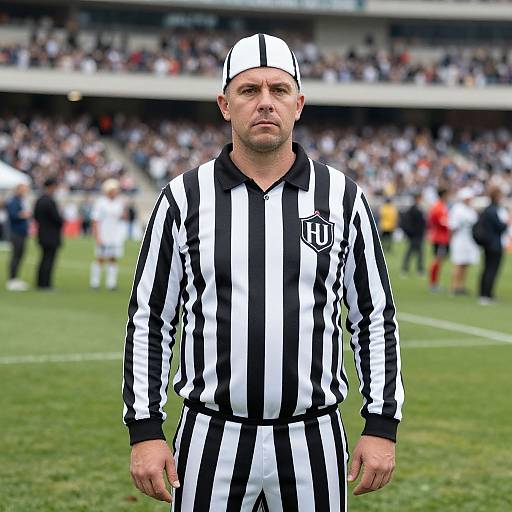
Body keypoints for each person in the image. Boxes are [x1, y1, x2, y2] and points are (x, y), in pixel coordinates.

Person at [122, 34, 404, 511]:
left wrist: (381, 423)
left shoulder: (342, 198)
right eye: (249, 91)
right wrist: (146, 430)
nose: (266, 103)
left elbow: (373, 317)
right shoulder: (183, 198)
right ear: (224, 104)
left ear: (299, 103)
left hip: (312, 433)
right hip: (212, 431)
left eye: (278, 89)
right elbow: (150, 319)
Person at [90, 178, 126, 290]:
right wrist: (97, 236)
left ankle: (111, 283)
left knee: (113, 258)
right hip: (104, 233)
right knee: (100, 258)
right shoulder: (101, 202)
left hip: (115, 234)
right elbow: (95, 220)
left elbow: (123, 217)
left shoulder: (119, 202)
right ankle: (94, 283)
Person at [478, 187, 509, 304]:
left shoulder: (488, 209)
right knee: (491, 269)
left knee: (487, 268)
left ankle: (484, 293)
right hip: (494, 243)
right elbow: (500, 227)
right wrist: (507, 222)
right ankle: (486, 294)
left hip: (488, 243)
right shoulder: (493, 210)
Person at [33, 177, 64, 290]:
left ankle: (40, 282)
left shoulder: (40, 200)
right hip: (51, 235)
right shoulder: (49, 201)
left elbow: (35, 216)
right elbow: (57, 219)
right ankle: (45, 284)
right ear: (51, 186)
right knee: (49, 260)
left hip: (42, 233)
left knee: (43, 259)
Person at [448, 188, 479, 295]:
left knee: (466, 263)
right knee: (459, 263)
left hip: (469, 240)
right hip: (459, 240)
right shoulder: (457, 209)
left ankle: (461, 285)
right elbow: (453, 226)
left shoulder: (470, 210)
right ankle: (455, 286)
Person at [5, 183, 30, 291]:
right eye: (23, 190)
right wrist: (24, 215)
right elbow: (13, 215)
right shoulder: (14, 201)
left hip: (21, 232)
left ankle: (15, 278)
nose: (25, 192)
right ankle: (12, 279)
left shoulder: (20, 201)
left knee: (20, 255)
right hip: (16, 232)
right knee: (16, 255)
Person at [427, 188, 450, 292]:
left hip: (441, 237)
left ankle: (435, 282)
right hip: (440, 237)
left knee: (439, 260)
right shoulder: (438, 207)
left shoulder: (440, 206)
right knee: (437, 259)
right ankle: (433, 284)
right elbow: (442, 222)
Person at [400, 192, 426, 275]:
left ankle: (417, 269)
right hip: (415, 235)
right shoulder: (414, 209)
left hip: (417, 234)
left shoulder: (417, 208)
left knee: (417, 252)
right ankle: (407, 269)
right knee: (412, 252)